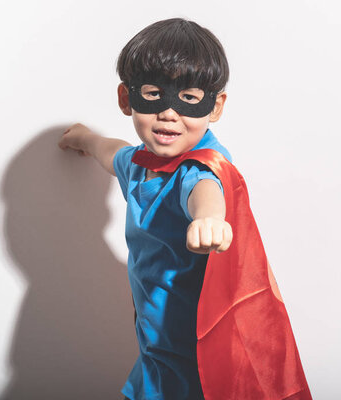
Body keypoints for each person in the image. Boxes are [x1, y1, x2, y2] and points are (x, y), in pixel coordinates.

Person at [58, 18, 310, 400]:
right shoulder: (141, 164)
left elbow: (206, 188)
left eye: (189, 99)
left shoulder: (198, 167)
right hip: (154, 338)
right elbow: (113, 153)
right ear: (126, 99)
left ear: (217, 105)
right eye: (154, 95)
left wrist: (209, 218)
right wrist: (85, 138)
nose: (169, 114)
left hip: (199, 347)